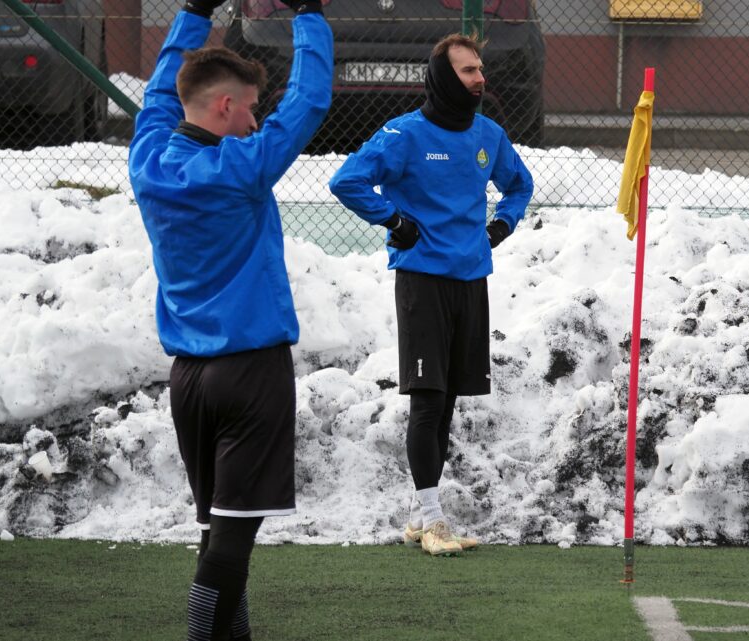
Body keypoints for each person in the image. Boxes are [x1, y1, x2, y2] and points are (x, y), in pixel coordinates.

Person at [127, 0, 331, 637]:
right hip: (250, 374)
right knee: (231, 545)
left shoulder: (147, 159)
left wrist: (193, 12)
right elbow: (309, 102)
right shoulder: (239, 168)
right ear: (223, 108)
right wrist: (310, 15)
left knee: (221, 530)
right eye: (248, 108)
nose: (255, 120)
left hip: (188, 379)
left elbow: (163, 88)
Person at [329, 33, 534, 557]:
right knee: (426, 402)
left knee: (445, 404)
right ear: (443, 77)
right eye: (468, 71)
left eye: (481, 69)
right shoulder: (403, 134)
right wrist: (393, 220)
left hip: (472, 281)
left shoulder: (489, 134)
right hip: (422, 282)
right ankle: (434, 520)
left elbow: (520, 185)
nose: (480, 79)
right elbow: (347, 181)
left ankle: (424, 517)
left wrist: (500, 227)